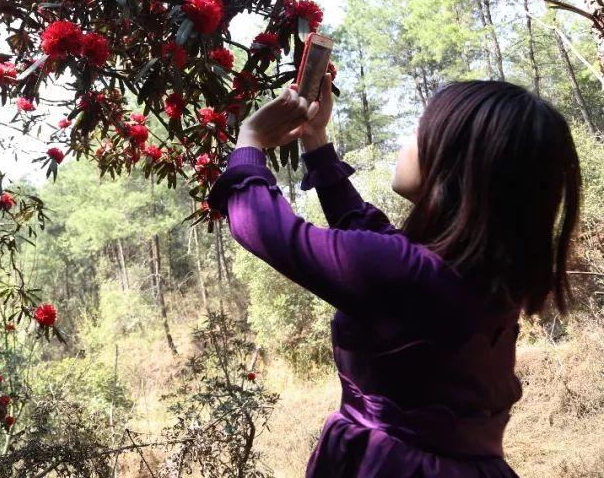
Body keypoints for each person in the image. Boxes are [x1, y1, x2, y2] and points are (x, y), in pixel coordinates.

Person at [208, 75, 581, 478]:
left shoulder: (408, 273)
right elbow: (367, 231)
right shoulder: (484, 272)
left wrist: (250, 141)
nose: (407, 141)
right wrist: (316, 141)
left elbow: (266, 230)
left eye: (419, 131)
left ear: (453, 165)